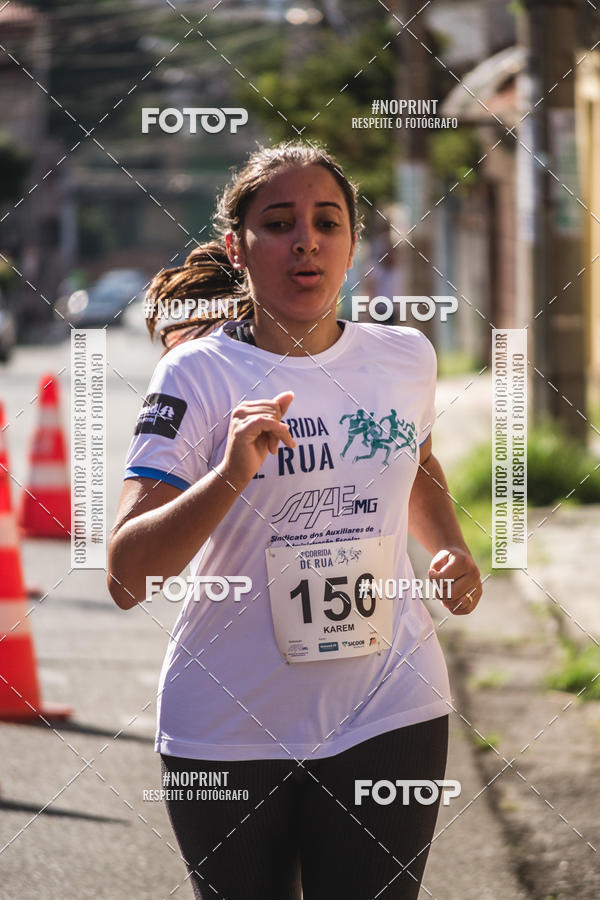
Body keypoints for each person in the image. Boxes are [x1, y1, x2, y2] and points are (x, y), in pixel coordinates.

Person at [107, 141, 482, 900]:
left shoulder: (404, 357)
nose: (305, 240)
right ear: (236, 249)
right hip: (228, 728)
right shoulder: (197, 374)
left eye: (326, 222)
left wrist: (451, 549)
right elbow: (127, 575)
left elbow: (416, 463)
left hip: (391, 710)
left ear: (353, 241)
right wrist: (229, 474)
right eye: (278, 223)